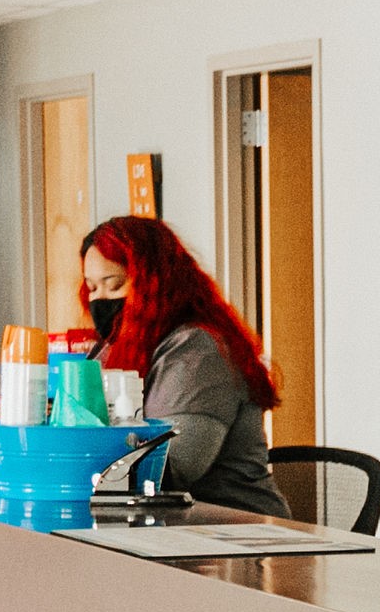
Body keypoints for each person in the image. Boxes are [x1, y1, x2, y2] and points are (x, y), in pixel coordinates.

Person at [78, 215, 290, 517]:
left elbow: (169, 469)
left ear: (154, 283)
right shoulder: (117, 347)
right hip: (167, 526)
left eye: (114, 285)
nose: (100, 299)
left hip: (236, 530)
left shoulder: (198, 351)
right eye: (92, 288)